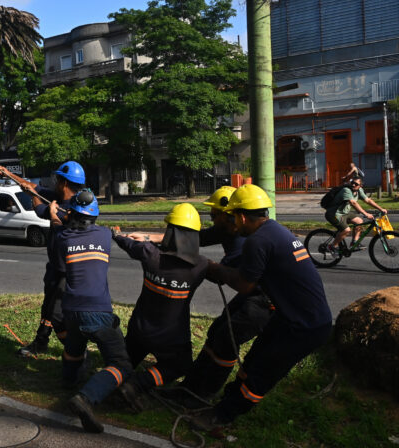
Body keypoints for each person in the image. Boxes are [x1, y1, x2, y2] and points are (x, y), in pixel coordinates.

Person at [190, 184, 332, 433]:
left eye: (234, 216)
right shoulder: (276, 231)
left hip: (304, 326)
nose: (233, 222)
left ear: (242, 216)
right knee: (253, 360)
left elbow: (244, 285)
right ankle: (226, 401)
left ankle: (223, 416)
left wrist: (213, 269)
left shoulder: (258, 241)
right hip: (288, 315)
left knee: (261, 373)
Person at [174, 187, 275, 407]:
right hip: (252, 294)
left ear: (231, 216)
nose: (211, 220)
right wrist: (153, 240)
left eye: (213, 216)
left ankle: (203, 394)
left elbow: (224, 277)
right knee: (217, 331)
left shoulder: (245, 241)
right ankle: (190, 386)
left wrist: (202, 265)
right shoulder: (226, 230)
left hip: (264, 301)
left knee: (226, 339)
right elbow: (195, 239)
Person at [49, 190, 133, 434]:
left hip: (72, 310)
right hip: (98, 311)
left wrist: (56, 216)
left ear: (72, 214)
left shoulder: (62, 237)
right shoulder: (105, 235)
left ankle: (68, 381)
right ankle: (86, 398)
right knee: (122, 364)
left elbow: (59, 259)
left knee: (74, 349)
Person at [113, 203, 209, 410]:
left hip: (139, 328)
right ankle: (139, 384)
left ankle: (109, 384)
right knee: (179, 366)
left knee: (124, 362)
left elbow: (128, 244)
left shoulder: (150, 255)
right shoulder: (201, 267)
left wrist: (118, 235)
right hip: (170, 337)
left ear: (170, 231)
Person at [0, 161, 86, 357]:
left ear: (63, 182)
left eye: (57, 179)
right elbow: (34, 186)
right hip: (55, 266)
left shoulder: (75, 209)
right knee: (48, 308)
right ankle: (41, 341)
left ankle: (76, 351)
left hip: (67, 270)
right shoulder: (59, 196)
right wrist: (9, 174)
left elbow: (40, 210)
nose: (54, 182)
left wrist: (31, 196)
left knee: (56, 314)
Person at [325, 177, 387, 255]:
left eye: (356, 184)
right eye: (352, 183)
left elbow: (368, 200)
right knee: (346, 230)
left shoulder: (359, 191)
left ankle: (354, 243)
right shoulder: (346, 190)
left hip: (344, 213)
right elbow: (353, 203)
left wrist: (381, 209)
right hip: (333, 214)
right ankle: (331, 246)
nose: (353, 185)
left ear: (360, 186)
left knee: (359, 221)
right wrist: (366, 214)